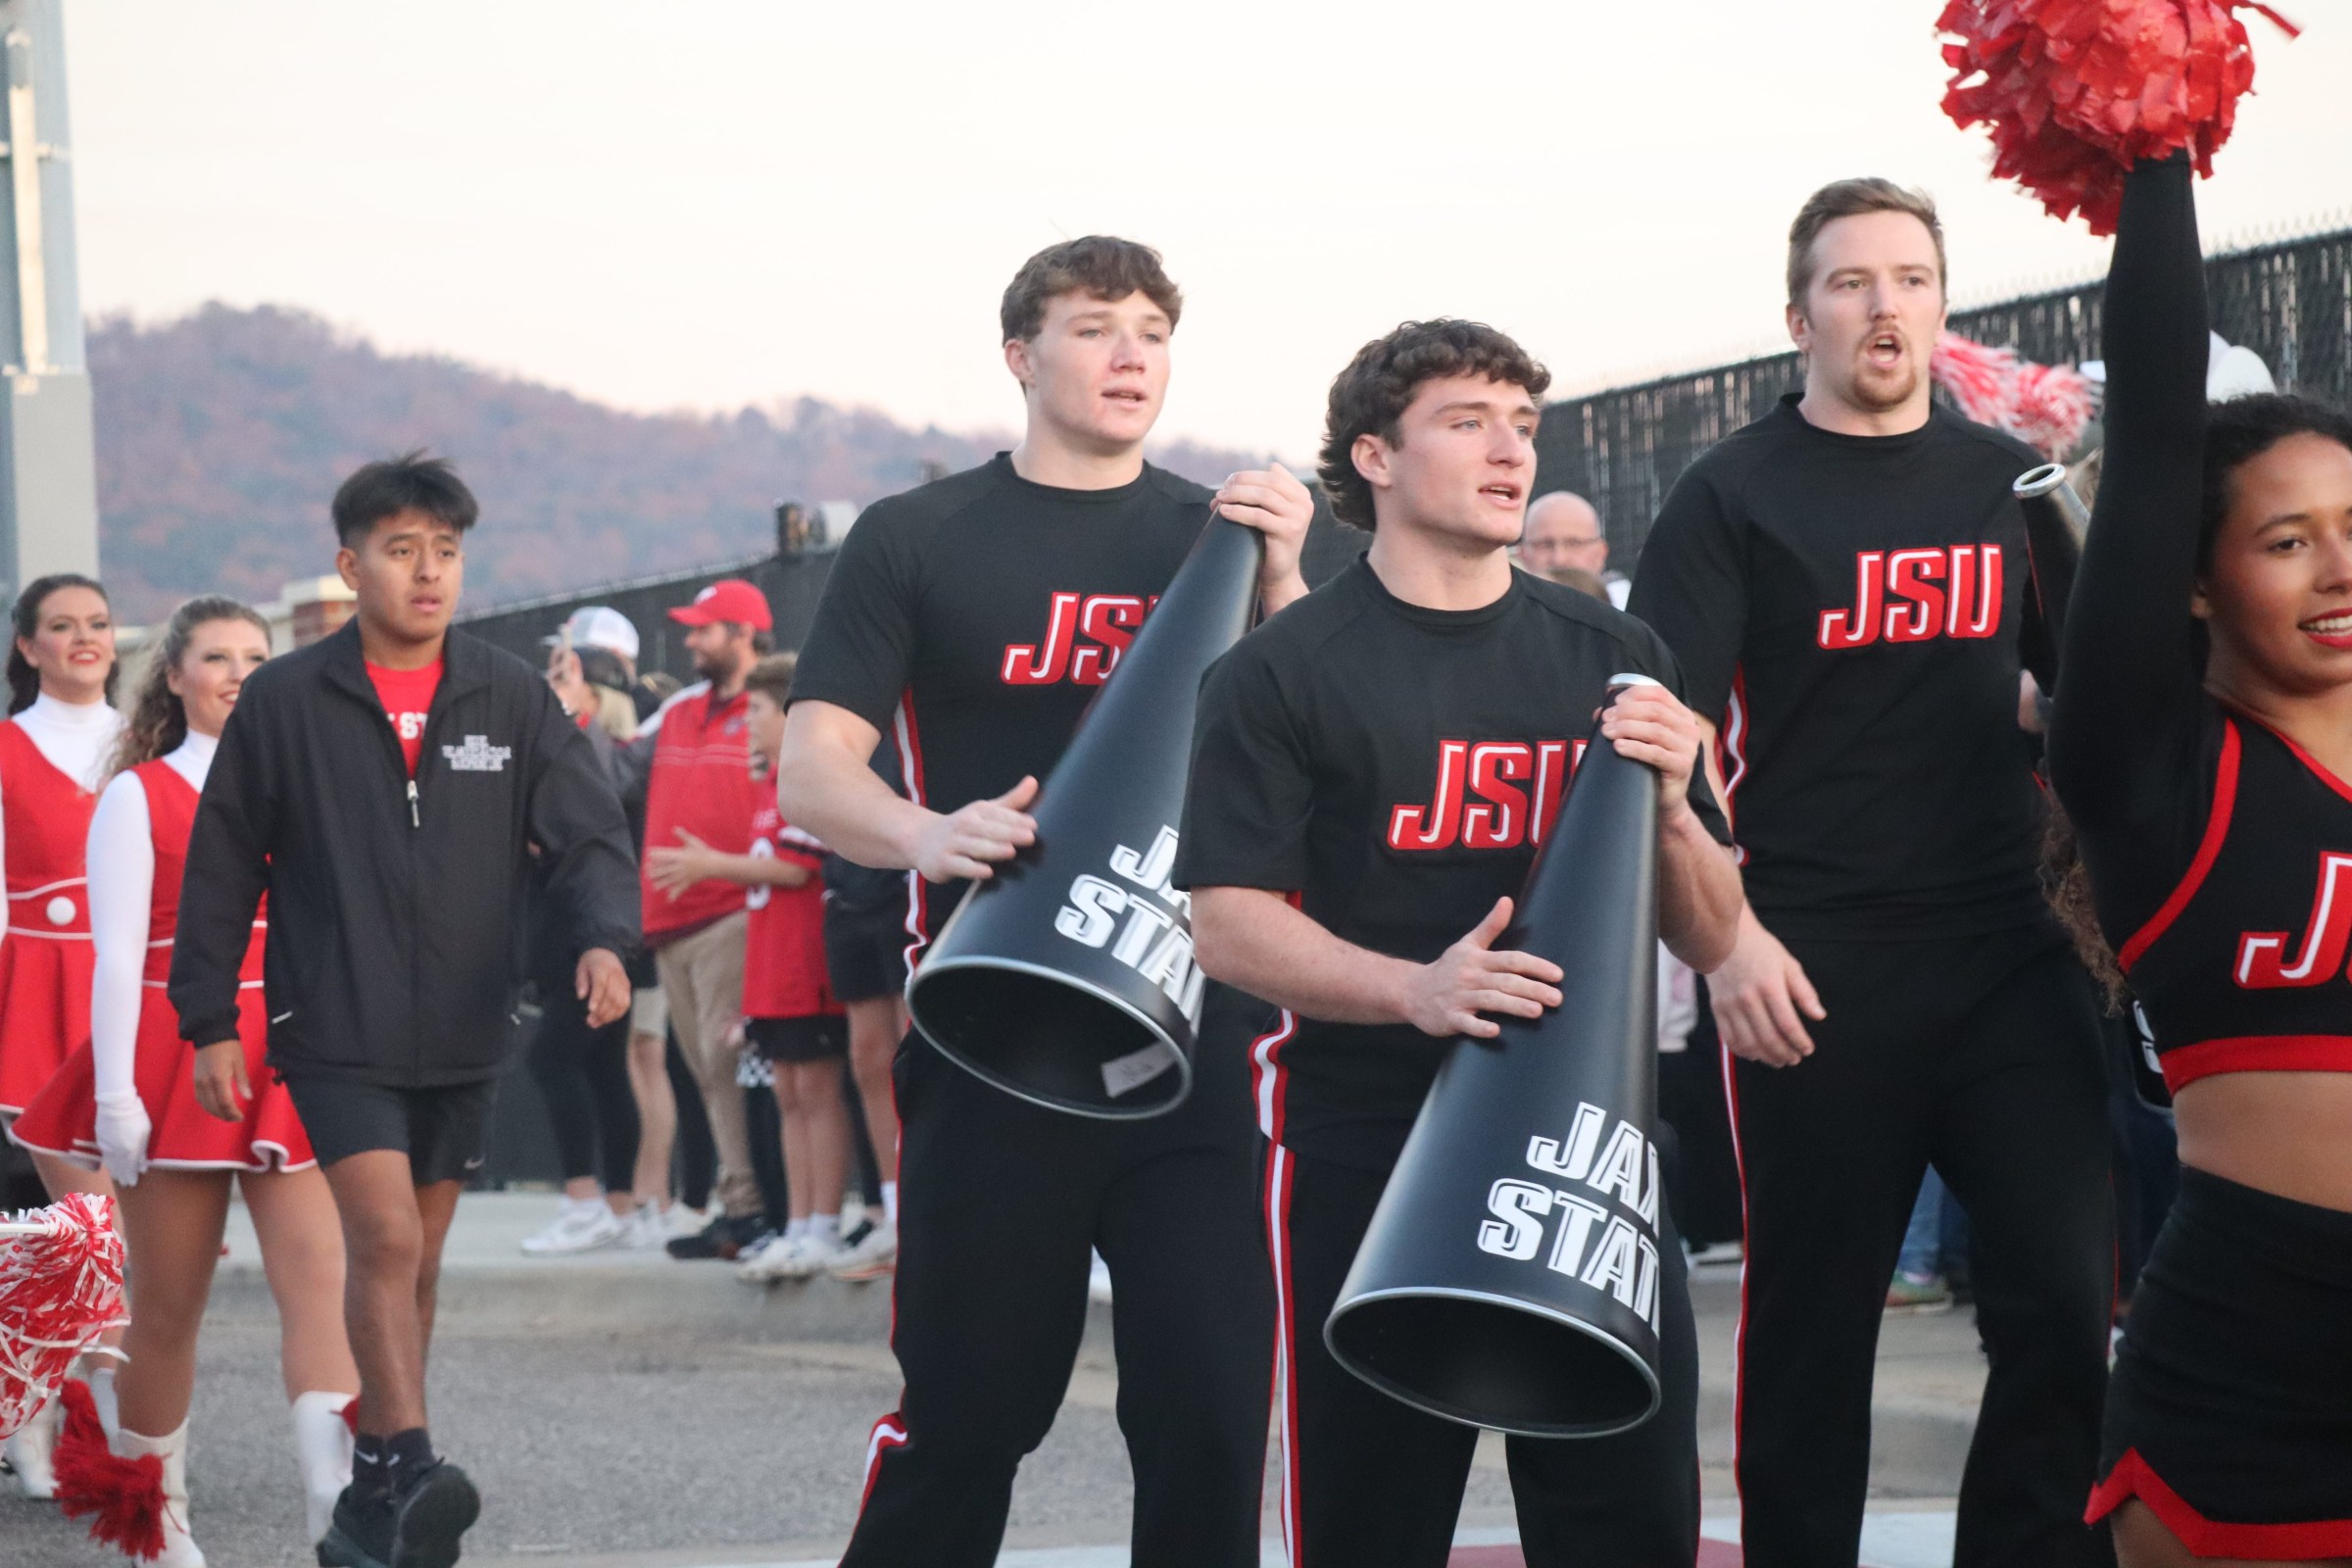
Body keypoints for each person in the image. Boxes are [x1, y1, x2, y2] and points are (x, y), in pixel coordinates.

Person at [776, 234, 1309, 1568]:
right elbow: (812, 769)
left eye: (1152, 332)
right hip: (993, 1030)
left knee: (1210, 1417)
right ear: (1021, 355)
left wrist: (1293, 580)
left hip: (1200, 1031)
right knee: (969, 1416)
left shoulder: (1234, 534)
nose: (1130, 354)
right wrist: (926, 832)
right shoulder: (920, 534)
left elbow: (1336, 736)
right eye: (1093, 327)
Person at [1179, 318, 1741, 1566]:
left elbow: (1710, 931)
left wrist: (1673, 808)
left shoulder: (1617, 654)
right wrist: (1414, 989)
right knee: (1369, 1525)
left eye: (1523, 425)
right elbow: (1225, 923)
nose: (1510, 451)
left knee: (1630, 1524)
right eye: (1467, 421)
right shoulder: (1279, 670)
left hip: (1584, 1153)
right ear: (1374, 456)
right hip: (1367, 1140)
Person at [1628, 178, 2115, 1568]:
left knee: (2063, 1305)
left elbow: (2093, 697)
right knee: (1812, 1335)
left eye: (1910, 278)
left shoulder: (2007, 480)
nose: (1884, 305)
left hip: (2010, 951)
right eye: (1851, 282)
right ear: (1801, 318)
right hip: (1816, 964)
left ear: (1941, 307)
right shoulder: (1731, 493)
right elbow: (1658, 740)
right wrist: (1727, 942)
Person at [171, 452, 639, 1568]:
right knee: (380, 1236)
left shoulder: (508, 695)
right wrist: (209, 1018)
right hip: (334, 1023)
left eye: (446, 551)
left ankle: (372, 1495)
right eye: (401, 551)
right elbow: (223, 862)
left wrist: (603, 940)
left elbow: (587, 834)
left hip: (469, 1024)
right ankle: (416, 1461)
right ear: (351, 566)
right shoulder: (288, 699)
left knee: (416, 1261)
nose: (428, 572)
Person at [2051, 155, 2352, 1565]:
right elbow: (2161, 423)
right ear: (2189, 575)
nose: (2338, 569)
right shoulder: (2154, 769)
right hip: (2254, 1355)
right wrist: (2156, 145)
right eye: (2288, 542)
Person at [14, 596, 360, 1563]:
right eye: (217, 657)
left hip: (290, 1052)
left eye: (256, 656)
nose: (240, 674)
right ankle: (153, 1521)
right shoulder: (140, 794)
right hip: (172, 1055)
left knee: (321, 1285)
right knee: (165, 1307)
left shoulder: (307, 784)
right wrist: (116, 1095)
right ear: (173, 676)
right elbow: (118, 957)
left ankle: (338, 1509)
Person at [649, 654, 856, 1282]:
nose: (749, 725)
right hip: (771, 973)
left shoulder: (808, 782)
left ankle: (825, 1222)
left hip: (805, 970)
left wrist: (711, 866)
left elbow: (795, 869)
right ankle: (797, 1224)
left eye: (759, 711)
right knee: (788, 1094)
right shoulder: (771, 786)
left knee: (815, 1094)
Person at [0, 570, 124, 1497]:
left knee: (128, 1236)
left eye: (98, 622)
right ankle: (38, 1427)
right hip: (36, 992)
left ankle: (117, 1434)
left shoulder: (151, 745)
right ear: (27, 646)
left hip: (134, 994)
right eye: (61, 624)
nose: (84, 637)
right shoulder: (7, 748)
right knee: (64, 1233)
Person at [622, 578, 774, 1261]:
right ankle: (737, 1205)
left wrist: (716, 867)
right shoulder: (679, 710)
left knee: (727, 1062)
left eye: (703, 629)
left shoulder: (774, 708)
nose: (690, 640)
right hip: (671, 923)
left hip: (731, 913)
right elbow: (615, 770)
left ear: (743, 634)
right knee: (707, 1073)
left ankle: (756, 1208)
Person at [519, 629, 655, 1255]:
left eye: (563, 675)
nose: (550, 687)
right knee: (603, 1067)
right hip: (569, 929)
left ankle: (584, 1202)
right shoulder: (584, 746)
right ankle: (617, 1207)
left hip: (595, 932)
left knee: (553, 1059)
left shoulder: (610, 751)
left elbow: (587, 816)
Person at [817, 742, 906, 1282]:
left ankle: (926, 1206)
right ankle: (895, 1213)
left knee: (917, 1053)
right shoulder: (838, 717)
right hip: (848, 889)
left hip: (911, 880)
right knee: (869, 1059)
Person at [1517, 490, 1626, 605]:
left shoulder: (1629, 611)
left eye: (1574, 544)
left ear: (1601, 553)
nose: (1559, 559)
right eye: (1545, 545)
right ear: (1523, 555)